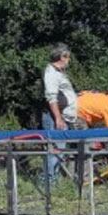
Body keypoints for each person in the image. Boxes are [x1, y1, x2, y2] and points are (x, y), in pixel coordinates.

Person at [41, 43, 77, 183]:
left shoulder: (59, 73)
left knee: (59, 150)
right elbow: (51, 97)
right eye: (67, 57)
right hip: (55, 117)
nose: (69, 60)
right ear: (61, 57)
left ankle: (53, 178)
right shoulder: (51, 73)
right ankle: (48, 181)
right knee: (55, 149)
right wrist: (58, 118)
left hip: (62, 115)